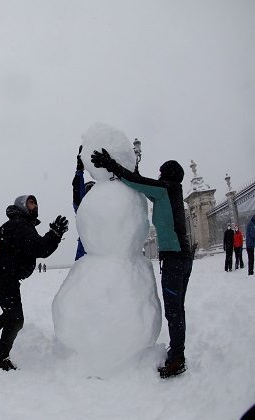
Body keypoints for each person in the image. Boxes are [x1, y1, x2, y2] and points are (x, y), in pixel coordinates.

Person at [91, 150, 192, 379]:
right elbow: (143, 185)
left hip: (175, 259)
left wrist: (112, 165)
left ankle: (177, 357)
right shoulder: (170, 192)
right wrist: (131, 171)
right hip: (182, 258)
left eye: (161, 173)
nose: (158, 176)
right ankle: (178, 352)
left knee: (174, 311)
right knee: (177, 309)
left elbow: (138, 183)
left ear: (167, 175)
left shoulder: (166, 189)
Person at [0, 195, 68, 371]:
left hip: (4, 277)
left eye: (36, 203)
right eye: (31, 203)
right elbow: (40, 248)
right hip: (4, 278)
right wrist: (54, 234)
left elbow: (35, 247)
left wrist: (53, 235)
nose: (35, 205)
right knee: (16, 319)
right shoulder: (19, 224)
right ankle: (0, 358)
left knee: (10, 314)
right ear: (22, 205)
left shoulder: (22, 224)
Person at [72, 146, 95, 260]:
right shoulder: (82, 208)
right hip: (85, 256)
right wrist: (79, 170)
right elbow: (77, 190)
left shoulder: (106, 208)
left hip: (104, 256)